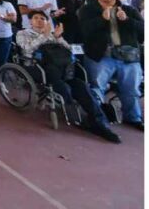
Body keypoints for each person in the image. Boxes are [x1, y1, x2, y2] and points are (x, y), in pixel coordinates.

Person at [16, 10, 120, 143]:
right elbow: (27, 49)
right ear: (30, 21)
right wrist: (44, 36)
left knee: (82, 86)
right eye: (36, 18)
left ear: (47, 22)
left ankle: (100, 124)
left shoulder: (53, 34)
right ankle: (76, 114)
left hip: (62, 70)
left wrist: (58, 37)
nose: (39, 20)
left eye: (42, 18)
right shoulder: (23, 33)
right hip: (37, 68)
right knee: (64, 87)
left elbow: (69, 51)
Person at [80, 0, 144, 131]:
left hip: (128, 57)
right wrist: (102, 19)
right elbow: (84, 31)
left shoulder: (129, 9)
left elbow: (143, 30)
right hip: (100, 56)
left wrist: (127, 20)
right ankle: (97, 119)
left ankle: (133, 118)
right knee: (97, 88)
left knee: (131, 90)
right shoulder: (87, 10)